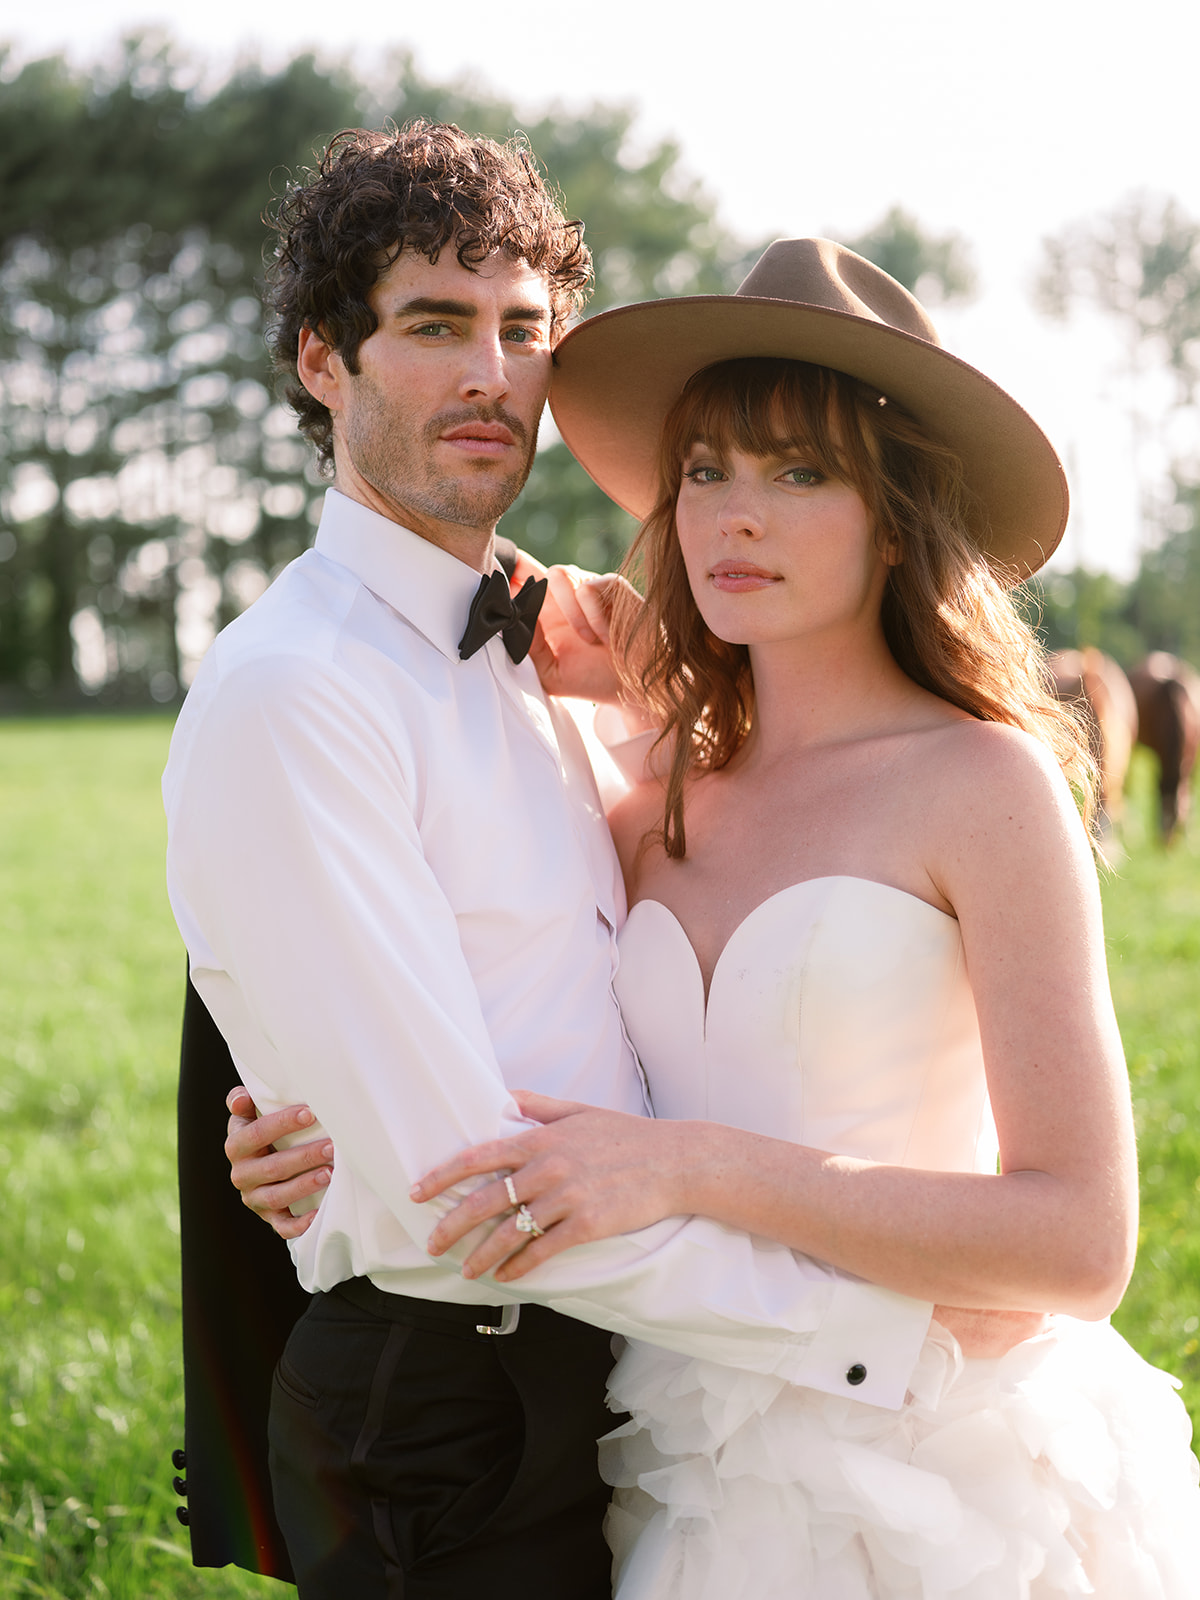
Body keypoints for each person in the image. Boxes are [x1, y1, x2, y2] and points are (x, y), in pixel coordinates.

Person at [165, 130, 958, 1600]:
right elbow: (459, 1187)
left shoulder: (537, 651)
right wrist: (875, 1340)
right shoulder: (296, 689)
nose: (489, 375)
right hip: (458, 1405)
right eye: (432, 326)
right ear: (321, 362)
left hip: (636, 1377)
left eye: (522, 329)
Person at [382, 239, 1199, 1594]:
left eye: (798, 472)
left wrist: (696, 1167)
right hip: (680, 1454)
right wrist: (317, 1130)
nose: (731, 517)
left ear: (899, 513)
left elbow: (1081, 1244)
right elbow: (507, 1037)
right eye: (707, 470)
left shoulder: (984, 783)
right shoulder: (646, 799)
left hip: (947, 1478)